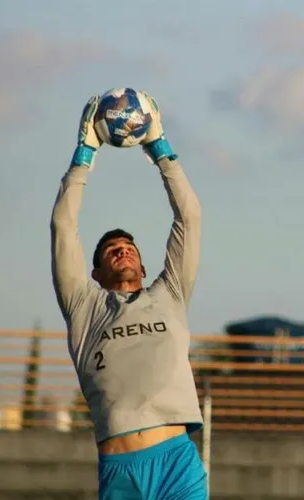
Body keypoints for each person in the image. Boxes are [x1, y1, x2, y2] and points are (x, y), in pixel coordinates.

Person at [50, 93, 207, 499]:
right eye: (111, 251)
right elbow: (64, 228)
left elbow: (188, 217)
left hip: (177, 464)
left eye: (130, 249)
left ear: (142, 268)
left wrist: (161, 150)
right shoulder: (85, 309)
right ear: (96, 273)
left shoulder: (169, 294)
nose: (122, 251)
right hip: (120, 469)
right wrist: (84, 154)